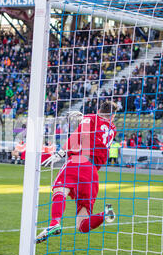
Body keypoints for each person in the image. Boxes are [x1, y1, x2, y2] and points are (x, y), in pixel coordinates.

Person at [37, 101, 117, 244]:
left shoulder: (91, 118)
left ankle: (54, 222)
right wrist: (84, 118)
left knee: (60, 189)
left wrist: (61, 153)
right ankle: (105, 214)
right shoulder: (112, 129)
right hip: (92, 174)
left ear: (98, 109)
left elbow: (78, 134)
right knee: (82, 225)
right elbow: (95, 132)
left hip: (78, 162)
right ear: (113, 115)